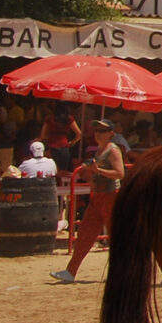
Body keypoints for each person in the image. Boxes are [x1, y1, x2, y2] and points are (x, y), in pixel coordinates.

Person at [52, 121, 124, 284]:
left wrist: (97, 171)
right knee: (85, 234)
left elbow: (120, 173)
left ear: (110, 133)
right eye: (96, 130)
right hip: (99, 196)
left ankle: (119, 273)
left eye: (102, 130)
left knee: (115, 237)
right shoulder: (100, 150)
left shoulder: (112, 150)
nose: (97, 133)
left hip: (111, 196)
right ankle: (70, 271)